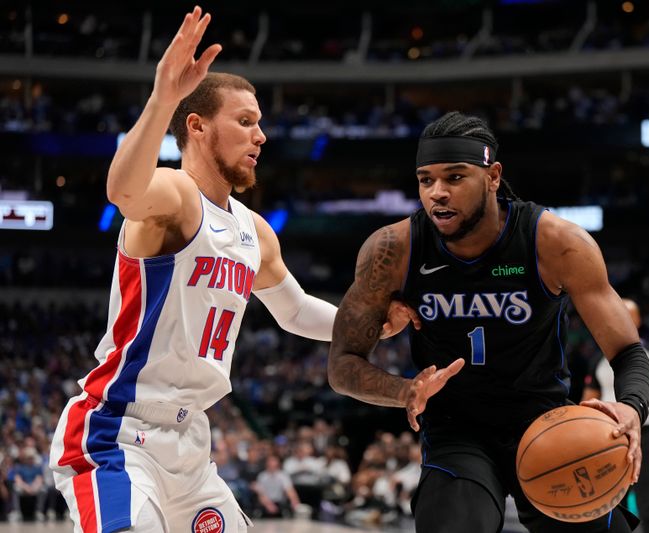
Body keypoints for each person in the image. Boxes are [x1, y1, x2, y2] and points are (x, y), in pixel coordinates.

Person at [47, 7, 411, 533]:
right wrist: (162, 97)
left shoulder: (254, 230)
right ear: (196, 126)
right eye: (245, 122)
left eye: (259, 123)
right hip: (118, 433)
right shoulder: (174, 195)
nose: (260, 136)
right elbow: (123, 191)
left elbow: (294, 311)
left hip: (191, 443)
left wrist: (370, 322)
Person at [328, 111, 649, 532]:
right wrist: (405, 391)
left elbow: (629, 353)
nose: (437, 193)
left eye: (455, 177)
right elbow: (342, 364)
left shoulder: (556, 243)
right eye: (426, 180)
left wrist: (631, 409)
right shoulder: (393, 250)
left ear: (493, 176)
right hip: (455, 429)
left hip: (547, 422)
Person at [582, 298, 649, 533]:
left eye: (631, 315)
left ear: (638, 321)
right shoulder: (597, 361)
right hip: (607, 437)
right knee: (608, 504)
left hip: (646, 434)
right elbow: (586, 403)